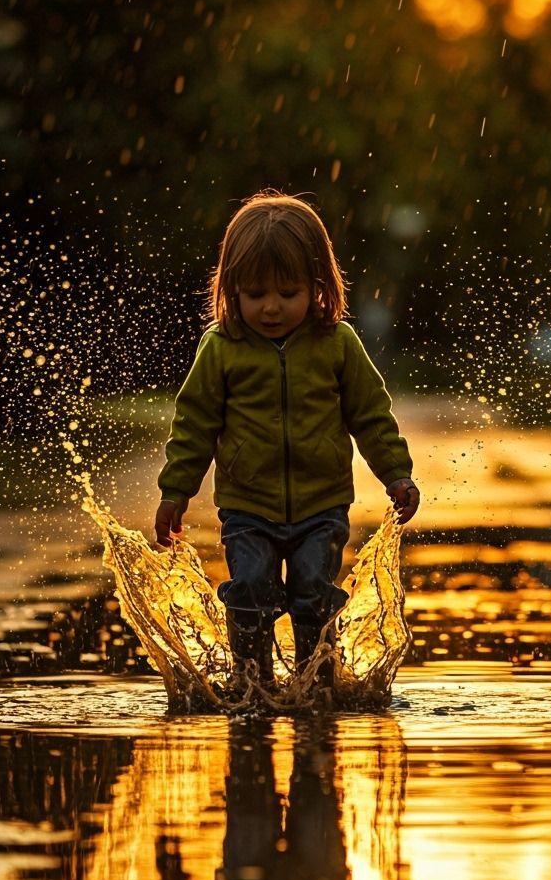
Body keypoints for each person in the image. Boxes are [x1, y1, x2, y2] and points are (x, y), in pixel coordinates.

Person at [154, 191, 419, 689]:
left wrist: (397, 474)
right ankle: (250, 682)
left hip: (323, 506)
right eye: (255, 295)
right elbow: (193, 424)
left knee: (314, 591)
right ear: (231, 288)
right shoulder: (222, 347)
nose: (271, 308)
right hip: (247, 507)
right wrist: (176, 492)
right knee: (250, 587)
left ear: (318, 285)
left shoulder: (337, 343)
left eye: (288, 292)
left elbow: (371, 414)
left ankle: (315, 680)